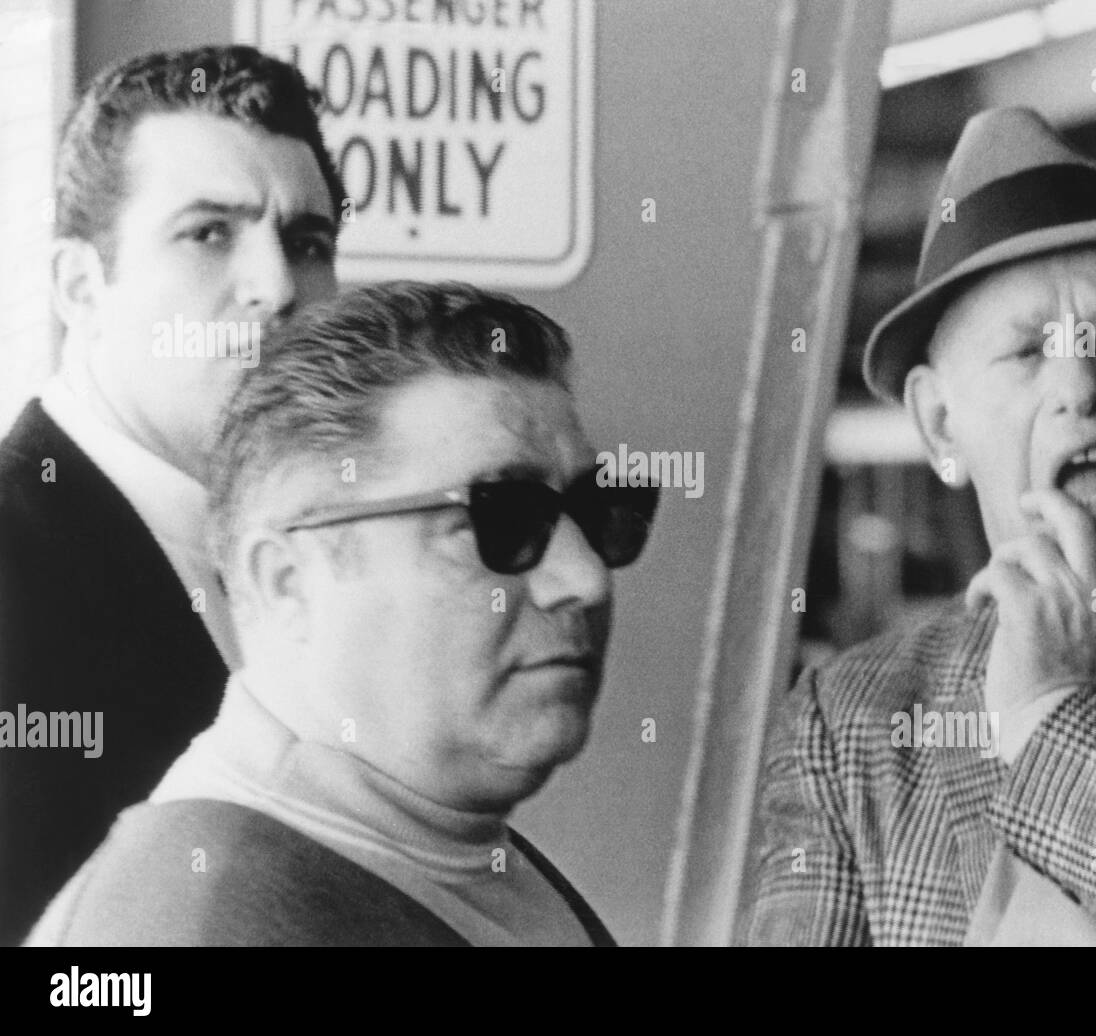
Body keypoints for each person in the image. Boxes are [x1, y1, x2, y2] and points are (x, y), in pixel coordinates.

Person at [741, 107, 1096, 946]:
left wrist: (1055, 721)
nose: (1080, 386)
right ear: (938, 426)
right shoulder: (853, 720)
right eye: (1028, 350)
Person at [26, 281, 659, 946]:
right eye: (500, 521)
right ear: (288, 582)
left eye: (593, 512)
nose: (586, 579)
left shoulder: (445, 846)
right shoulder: (195, 923)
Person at [0, 45, 343, 944]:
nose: (277, 290)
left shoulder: (331, 552)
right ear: (82, 287)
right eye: (209, 232)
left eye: (307, 243)